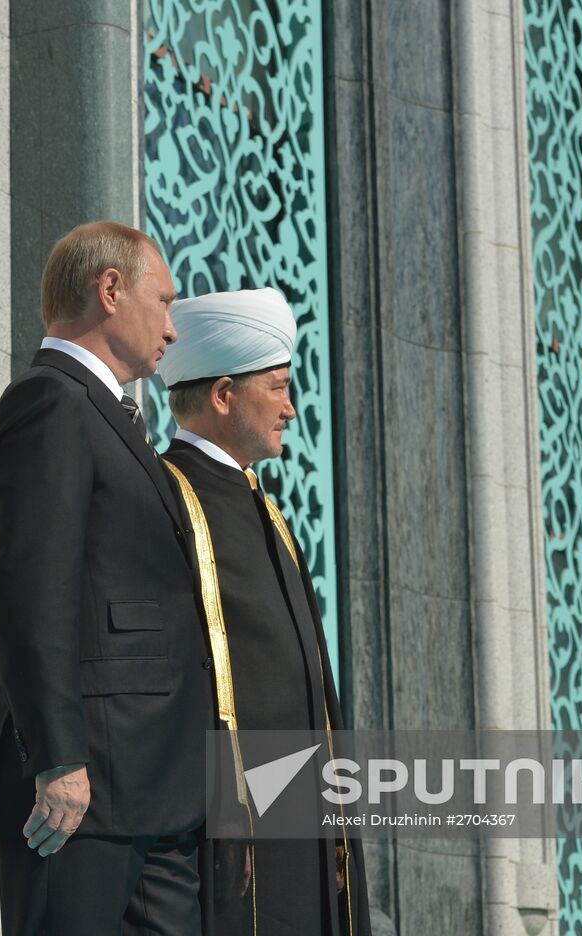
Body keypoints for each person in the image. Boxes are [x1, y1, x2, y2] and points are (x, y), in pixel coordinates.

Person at [0, 221, 214, 935]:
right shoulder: (50, 402)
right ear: (110, 290)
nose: (171, 329)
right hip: (84, 789)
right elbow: (29, 592)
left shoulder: (110, 417)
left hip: (157, 791)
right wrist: (57, 758)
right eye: (163, 302)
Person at [155, 288, 371, 936]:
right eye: (277, 388)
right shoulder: (167, 496)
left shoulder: (267, 510)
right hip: (232, 838)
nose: (290, 407)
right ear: (224, 395)